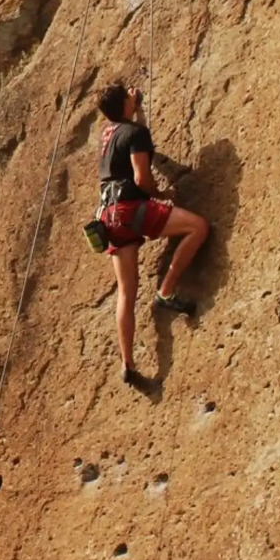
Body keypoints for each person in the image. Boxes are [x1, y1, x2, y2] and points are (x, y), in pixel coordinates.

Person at [94, 82, 210, 387]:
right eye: (130, 98)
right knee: (198, 227)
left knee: (126, 293)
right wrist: (159, 193)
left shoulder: (109, 135)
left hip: (110, 216)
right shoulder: (135, 133)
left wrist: (136, 107)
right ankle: (166, 292)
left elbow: (134, 136)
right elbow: (142, 177)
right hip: (134, 209)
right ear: (125, 103)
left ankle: (128, 363)